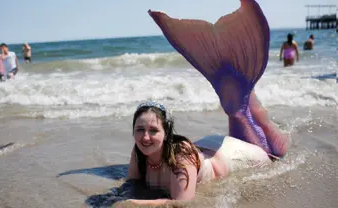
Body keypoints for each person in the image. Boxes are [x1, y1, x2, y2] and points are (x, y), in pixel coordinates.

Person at [117, 0, 291, 207]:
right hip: (210, 148)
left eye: (153, 130)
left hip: (239, 158)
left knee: (273, 154)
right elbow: (131, 185)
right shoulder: (139, 153)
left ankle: (244, 100)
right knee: (237, 109)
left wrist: (131, 204)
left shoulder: (181, 160)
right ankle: (243, 99)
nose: (145, 136)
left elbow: (182, 203)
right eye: (140, 129)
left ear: (167, 133)